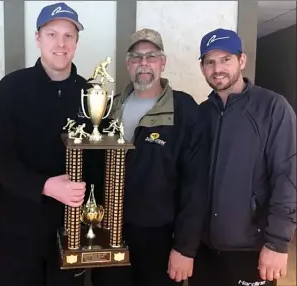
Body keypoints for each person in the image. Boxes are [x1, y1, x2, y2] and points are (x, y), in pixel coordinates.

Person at [0, 2, 104, 285]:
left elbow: (98, 163)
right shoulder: (11, 88)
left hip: (72, 232)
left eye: (69, 35)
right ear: (38, 39)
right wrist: (45, 186)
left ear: (76, 42)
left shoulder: (92, 95)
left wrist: (97, 214)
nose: (61, 43)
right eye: (52, 34)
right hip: (18, 234)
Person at [91, 28, 208, 286]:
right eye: (136, 57)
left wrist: (185, 247)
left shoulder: (184, 110)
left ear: (162, 62)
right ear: (127, 63)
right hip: (110, 232)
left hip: (160, 239)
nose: (143, 64)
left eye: (151, 56)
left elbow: (196, 184)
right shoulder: (110, 108)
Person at [189, 28, 297, 286]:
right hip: (204, 250)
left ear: (242, 60)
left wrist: (278, 242)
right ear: (202, 67)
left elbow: (288, 177)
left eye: (225, 59)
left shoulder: (272, 107)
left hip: (252, 249)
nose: (218, 68)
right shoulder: (202, 114)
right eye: (210, 62)